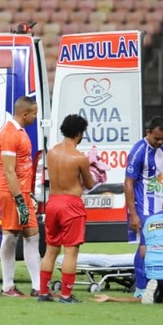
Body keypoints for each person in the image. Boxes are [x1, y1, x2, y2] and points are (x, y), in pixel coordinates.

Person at [37, 114, 104, 303]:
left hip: (53, 202)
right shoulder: (79, 158)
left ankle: (43, 292)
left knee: (51, 249)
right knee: (71, 252)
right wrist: (94, 168)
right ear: (80, 133)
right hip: (71, 205)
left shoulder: (52, 152)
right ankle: (66, 295)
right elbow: (90, 184)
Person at [0, 95, 41, 298]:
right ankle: (7, 287)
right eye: (34, 114)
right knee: (11, 236)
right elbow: (9, 171)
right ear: (25, 114)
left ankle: (38, 287)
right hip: (11, 194)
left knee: (32, 235)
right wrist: (20, 199)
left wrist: (27, 195)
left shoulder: (20, 132)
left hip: (21, 194)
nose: (35, 117)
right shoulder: (9, 134)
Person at [124, 116, 163, 298]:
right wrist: (133, 214)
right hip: (143, 207)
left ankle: (157, 284)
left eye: (162, 139)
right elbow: (128, 183)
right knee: (145, 246)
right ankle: (141, 288)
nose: (159, 142)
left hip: (161, 204)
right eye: (156, 138)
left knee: (159, 245)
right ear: (147, 133)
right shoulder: (138, 152)